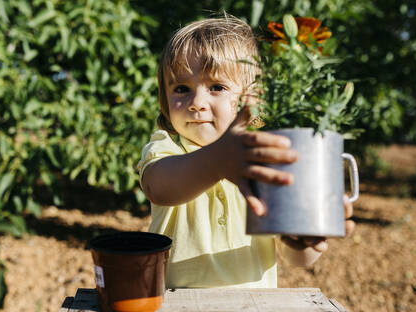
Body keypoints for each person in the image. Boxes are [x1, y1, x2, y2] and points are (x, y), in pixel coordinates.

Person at [137, 15, 354, 288]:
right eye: (181, 89)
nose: (196, 102)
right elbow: (159, 187)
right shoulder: (167, 146)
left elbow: (295, 257)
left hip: (253, 309)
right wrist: (218, 162)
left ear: (254, 100)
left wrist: (308, 240)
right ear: (165, 102)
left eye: (217, 87)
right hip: (176, 308)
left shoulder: (264, 159)